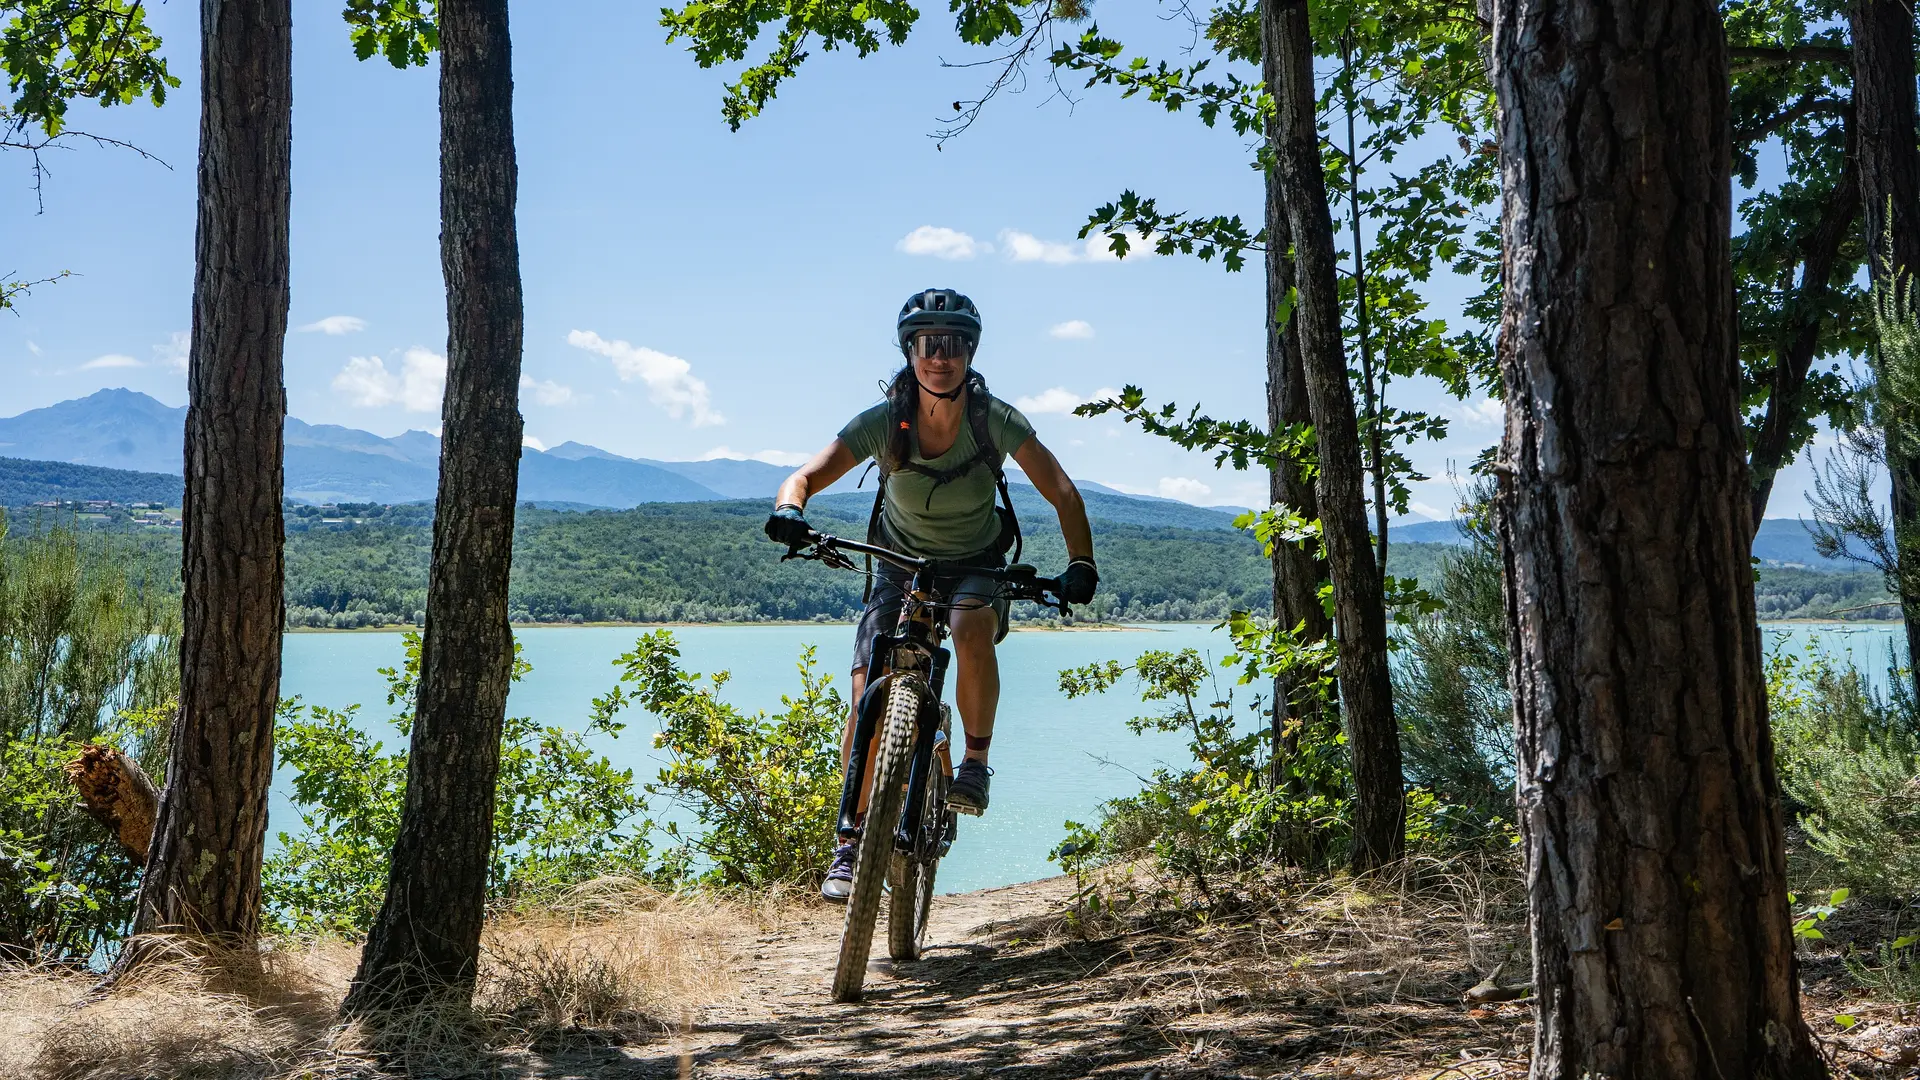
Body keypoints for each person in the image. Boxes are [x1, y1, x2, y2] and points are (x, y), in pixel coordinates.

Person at [764, 288, 1099, 902]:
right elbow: (807, 473)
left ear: (969, 353)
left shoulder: (992, 418)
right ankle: (849, 841)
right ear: (910, 351)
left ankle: (973, 762)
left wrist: (1081, 563)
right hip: (899, 563)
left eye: (951, 346)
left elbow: (1063, 492)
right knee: (867, 692)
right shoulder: (885, 419)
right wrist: (790, 506)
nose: (938, 357)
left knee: (971, 626)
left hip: (974, 562)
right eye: (927, 345)